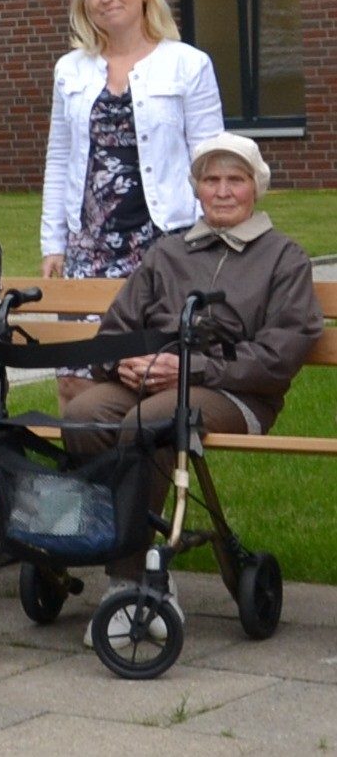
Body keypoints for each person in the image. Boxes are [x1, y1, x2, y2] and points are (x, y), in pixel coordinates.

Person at [63, 133, 321, 643]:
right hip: (151, 383)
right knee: (85, 414)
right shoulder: (168, 253)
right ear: (197, 189)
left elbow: (278, 357)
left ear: (256, 188)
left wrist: (189, 371)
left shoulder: (283, 258)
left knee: (150, 423)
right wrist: (124, 366)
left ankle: (135, 583)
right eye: (211, 179)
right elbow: (114, 332)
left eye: (235, 180)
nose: (223, 191)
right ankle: (134, 568)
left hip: (238, 395)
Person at [40, 0, 222, 293]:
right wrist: (53, 243)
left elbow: (210, 158)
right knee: (87, 346)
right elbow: (59, 159)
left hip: (168, 239)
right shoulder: (70, 70)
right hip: (89, 245)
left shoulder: (188, 64)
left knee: (162, 344)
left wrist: (208, 236)